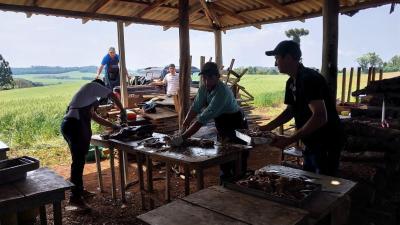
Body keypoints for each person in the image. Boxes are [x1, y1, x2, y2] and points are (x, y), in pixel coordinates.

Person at [261, 40, 345, 176]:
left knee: (324, 186)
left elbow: (320, 116)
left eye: (277, 58)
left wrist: (289, 140)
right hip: (311, 141)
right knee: (309, 181)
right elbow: (290, 111)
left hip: (326, 142)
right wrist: (265, 129)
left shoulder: (309, 79)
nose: (275, 63)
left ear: (288, 58)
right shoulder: (291, 82)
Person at [170, 62, 248, 181]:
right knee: (224, 156)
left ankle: (240, 185)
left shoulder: (222, 93)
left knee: (239, 157)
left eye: (210, 77)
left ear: (217, 77)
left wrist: (182, 138)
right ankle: (225, 184)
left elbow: (201, 120)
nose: (207, 81)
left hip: (237, 126)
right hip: (223, 126)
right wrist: (184, 125)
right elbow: (195, 107)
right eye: (204, 78)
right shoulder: (204, 89)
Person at [61, 79, 127, 211]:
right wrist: (122, 110)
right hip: (75, 126)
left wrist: (114, 125)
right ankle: (75, 198)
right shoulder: (92, 86)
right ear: (100, 86)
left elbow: (95, 117)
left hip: (71, 125)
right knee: (78, 162)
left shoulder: (86, 97)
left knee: (79, 160)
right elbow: (113, 95)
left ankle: (79, 191)